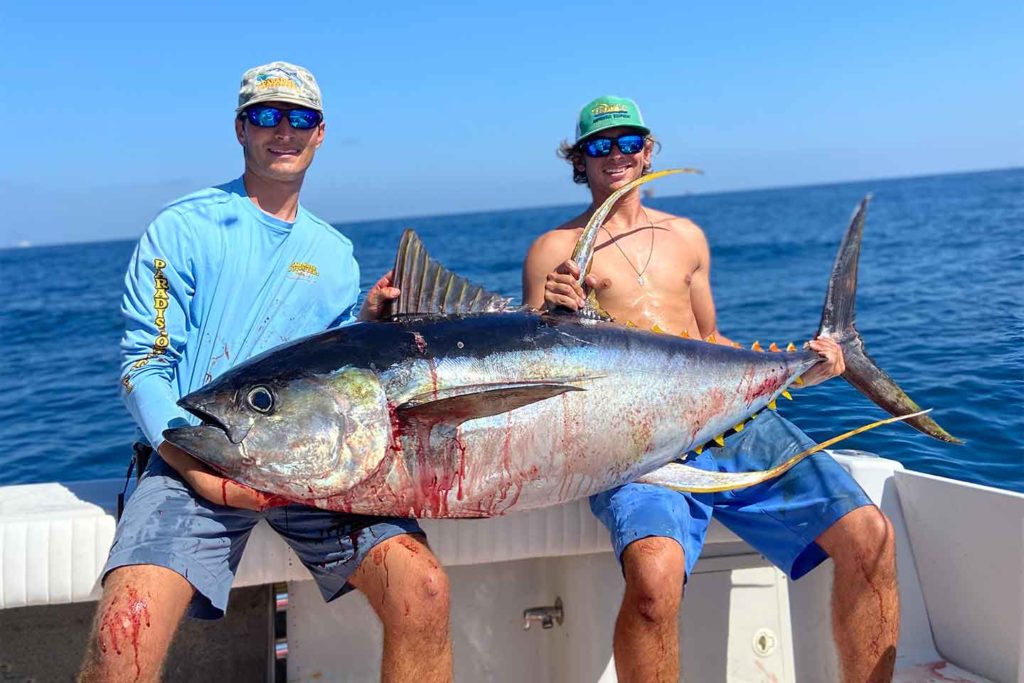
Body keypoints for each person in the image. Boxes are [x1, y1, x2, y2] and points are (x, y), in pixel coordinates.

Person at [79, 62, 452, 682]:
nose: (284, 131)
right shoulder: (183, 226)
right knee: (128, 626)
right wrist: (204, 473)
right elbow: (145, 363)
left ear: (321, 133)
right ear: (240, 128)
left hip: (313, 468)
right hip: (193, 458)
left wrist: (364, 323)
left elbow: (327, 371)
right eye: (266, 116)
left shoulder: (334, 254)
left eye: (300, 118)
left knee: (424, 593)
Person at [522, 95, 898, 683]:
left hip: (729, 419)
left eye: (627, 142)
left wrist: (806, 364)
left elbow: (709, 337)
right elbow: (534, 362)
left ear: (647, 152)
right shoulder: (553, 249)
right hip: (634, 441)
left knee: (869, 535)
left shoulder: (687, 237)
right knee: (653, 578)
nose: (615, 155)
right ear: (581, 160)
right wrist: (551, 310)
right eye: (599, 145)